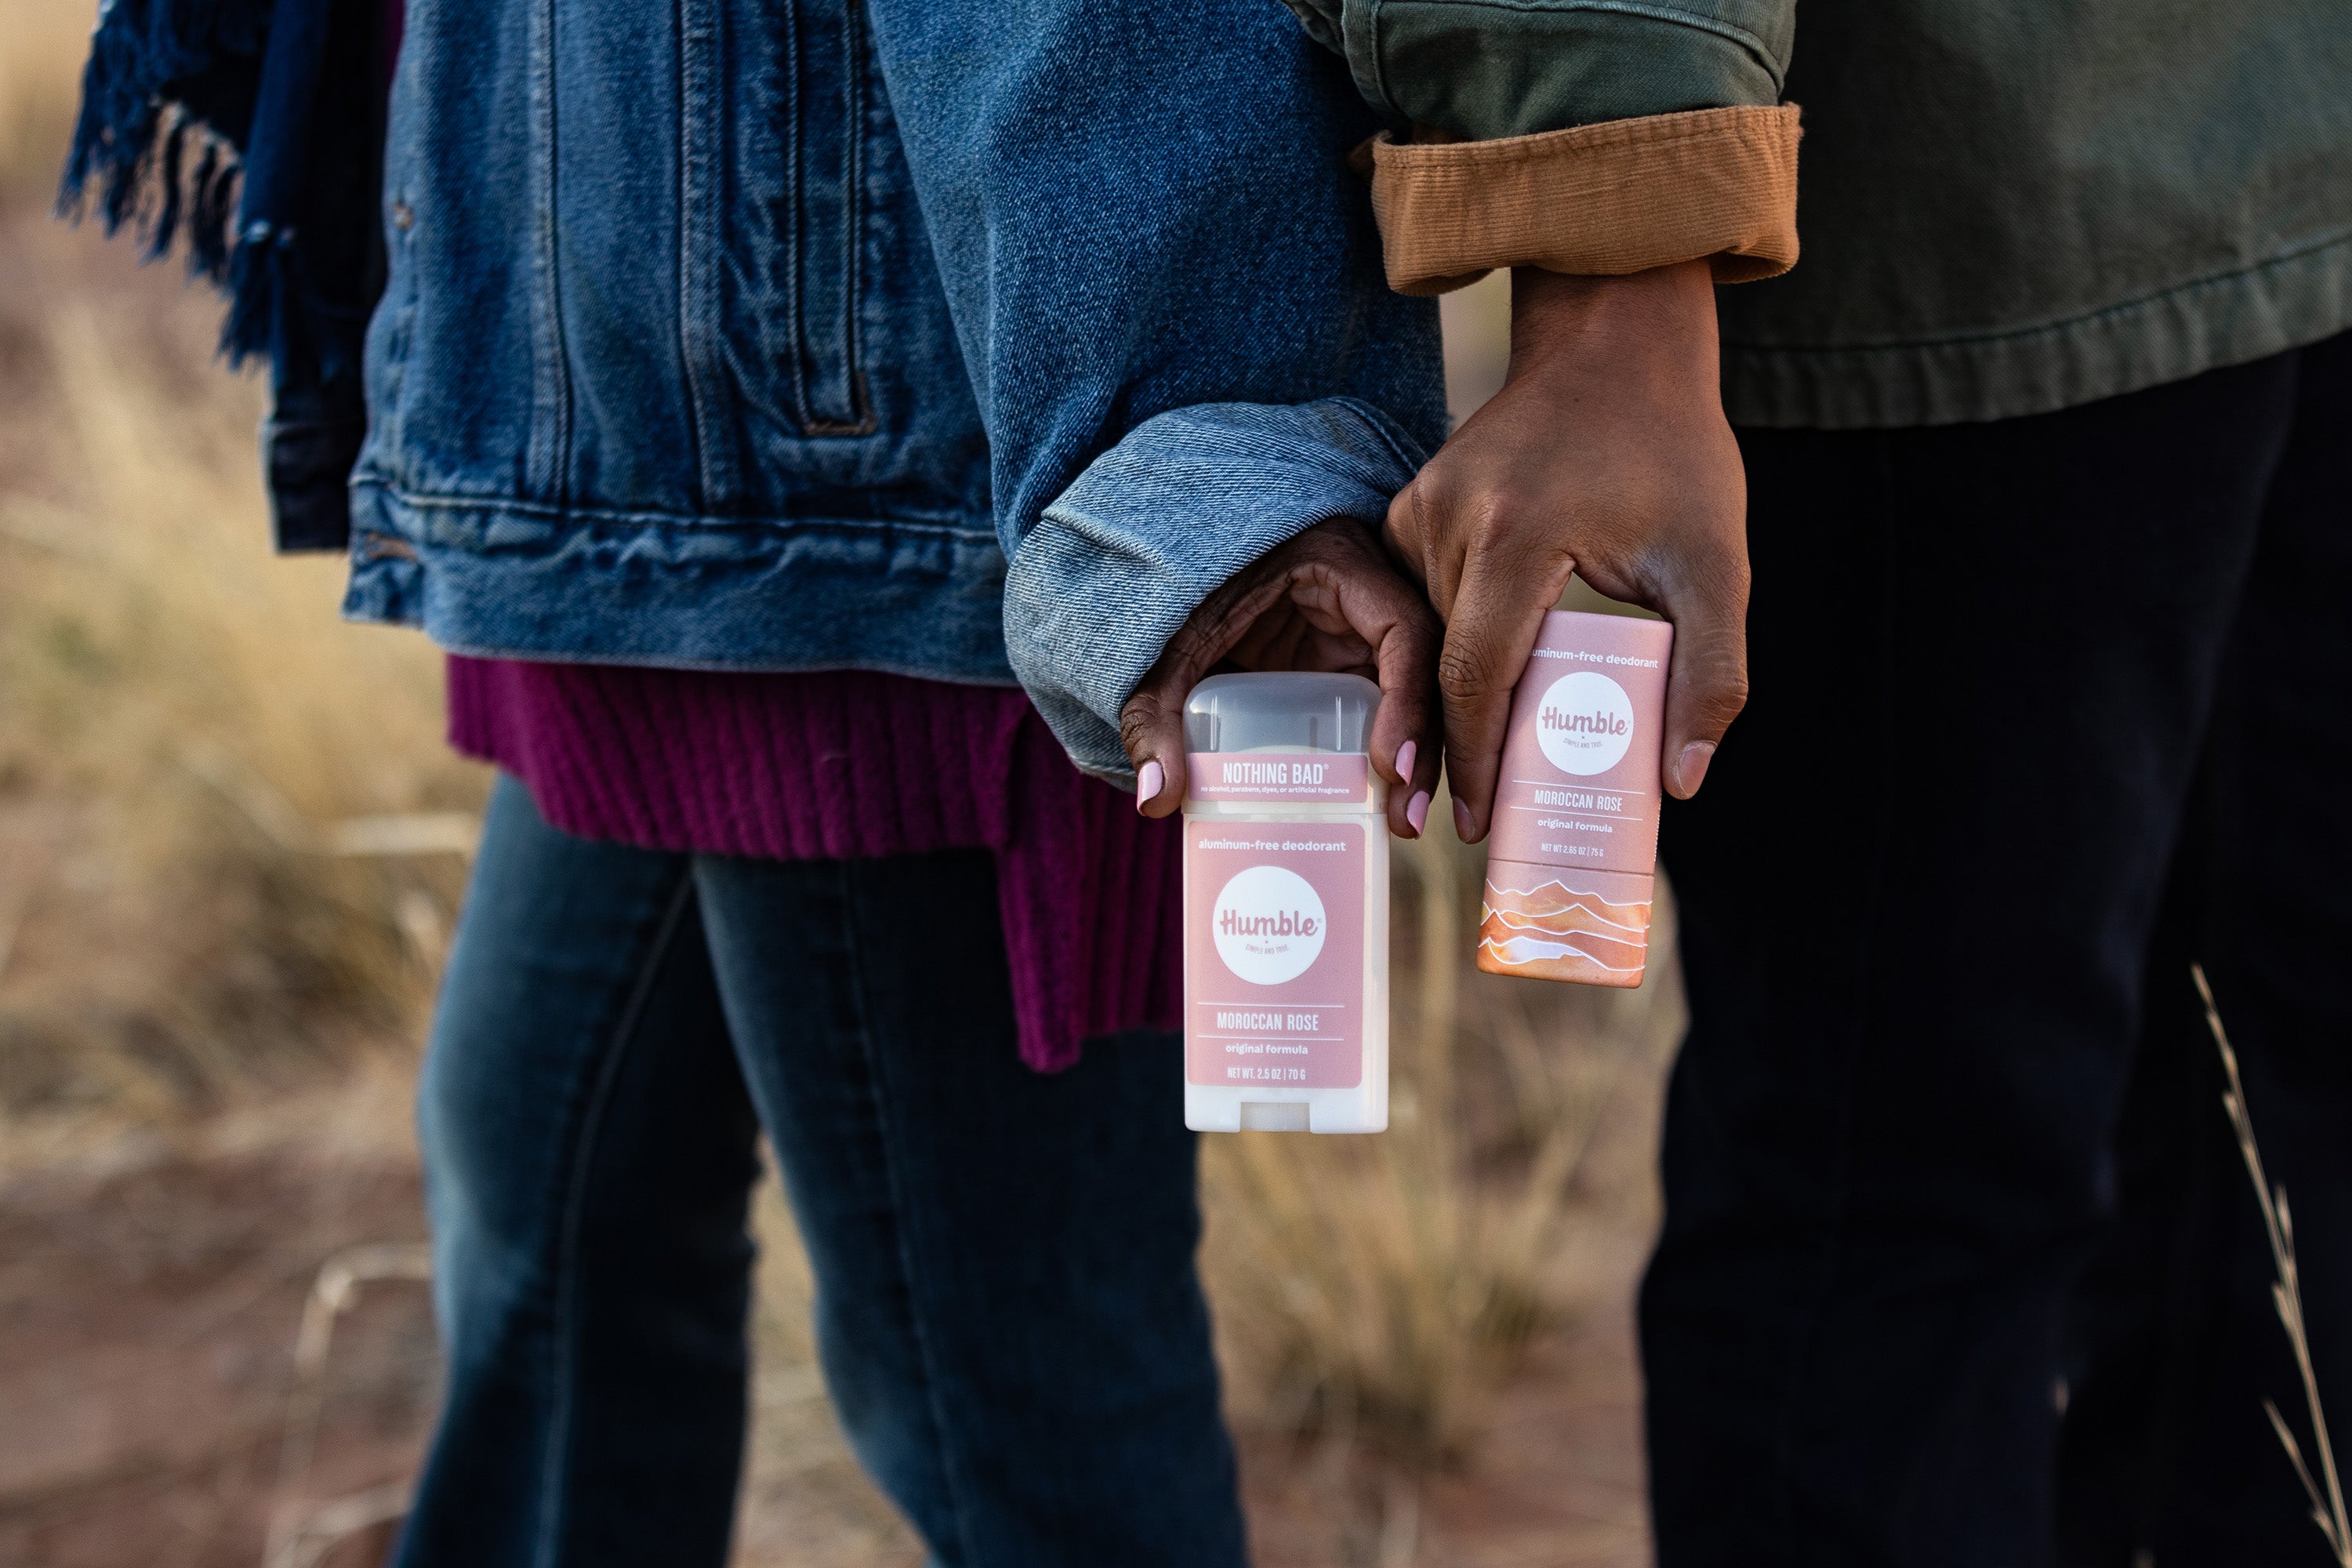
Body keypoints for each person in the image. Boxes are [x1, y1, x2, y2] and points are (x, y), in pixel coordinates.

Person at [65, 0, 2350, 1565]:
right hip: (613, 345)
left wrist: (1286, 415)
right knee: (548, 1182)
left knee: (1020, 1391)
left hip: (888, 383)